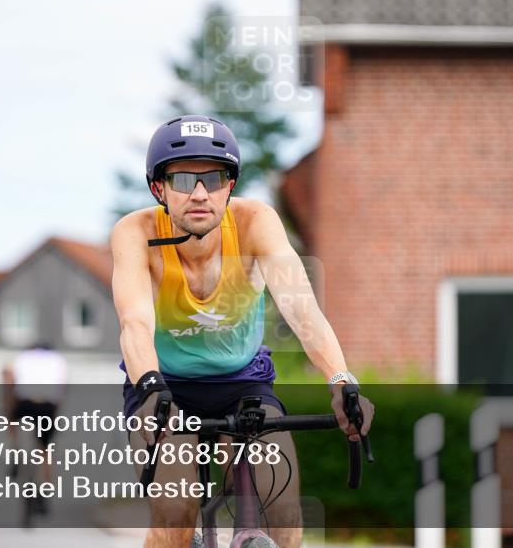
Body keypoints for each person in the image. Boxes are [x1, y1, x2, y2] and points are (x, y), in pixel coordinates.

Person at [110, 115, 375, 548]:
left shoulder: (255, 222)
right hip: (162, 386)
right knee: (176, 514)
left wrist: (341, 381)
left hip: (244, 385)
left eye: (213, 179)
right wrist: (152, 392)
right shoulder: (133, 232)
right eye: (182, 180)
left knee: (285, 512)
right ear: (158, 188)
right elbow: (135, 323)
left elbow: (303, 310)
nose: (199, 194)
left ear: (230, 185)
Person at [6, 341, 67, 511]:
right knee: (45, 451)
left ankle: (16, 450)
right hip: (47, 407)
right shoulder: (57, 359)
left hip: (25, 404)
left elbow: (10, 380)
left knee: (10, 419)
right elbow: (61, 388)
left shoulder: (23, 357)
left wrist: (9, 405)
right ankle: (44, 492)